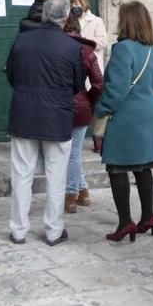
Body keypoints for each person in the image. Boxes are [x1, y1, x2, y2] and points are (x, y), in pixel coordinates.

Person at [5, 0, 85, 246]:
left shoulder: (22, 40)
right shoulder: (72, 46)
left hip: (24, 114)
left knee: (21, 175)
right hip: (57, 118)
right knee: (56, 176)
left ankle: (18, 230)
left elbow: (12, 75)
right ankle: (53, 230)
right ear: (65, 17)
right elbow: (77, 84)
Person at [95, 1, 153, 242]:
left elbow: (115, 90)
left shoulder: (123, 49)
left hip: (128, 115)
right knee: (144, 166)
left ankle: (125, 222)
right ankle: (148, 217)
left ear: (127, 21)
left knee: (117, 167)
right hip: (149, 111)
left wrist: (101, 110)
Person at [62, 13, 104, 213]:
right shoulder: (88, 51)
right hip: (81, 105)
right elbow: (98, 83)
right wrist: (89, 100)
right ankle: (83, 190)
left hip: (59, 105)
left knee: (69, 153)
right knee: (74, 151)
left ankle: (71, 195)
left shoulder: (56, 49)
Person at [70, 0, 108, 153]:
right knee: (81, 105)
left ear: (84, 4)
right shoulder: (69, 21)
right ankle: (76, 137)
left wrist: (84, 40)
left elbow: (103, 41)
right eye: (72, 4)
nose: (74, 7)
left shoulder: (96, 21)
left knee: (97, 105)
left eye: (77, 3)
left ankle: (97, 137)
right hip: (76, 68)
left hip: (92, 66)